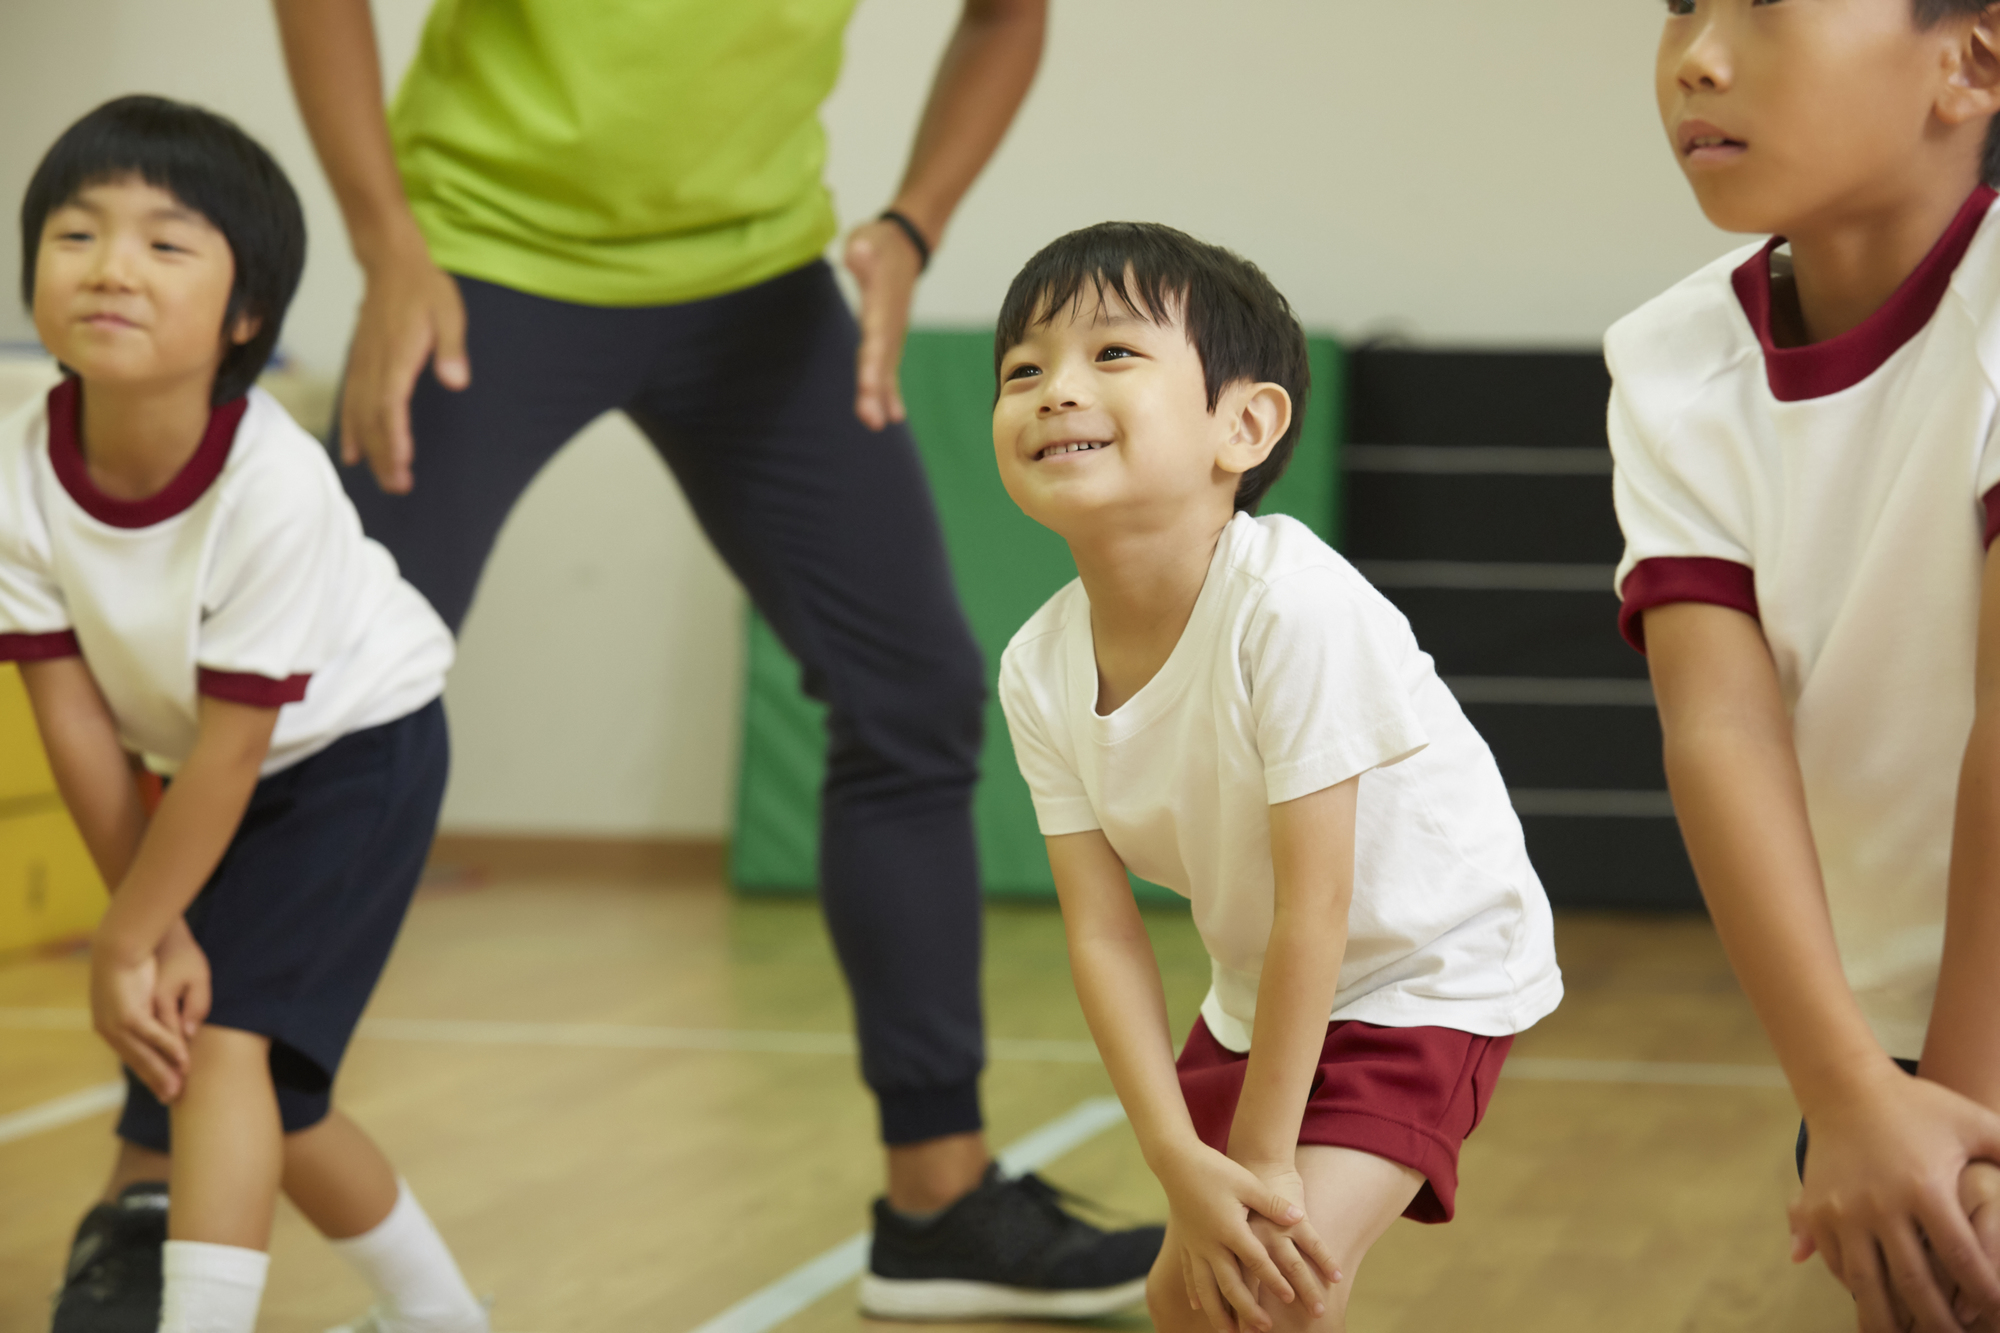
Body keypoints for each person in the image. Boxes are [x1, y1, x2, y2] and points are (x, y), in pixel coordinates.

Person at [210, 0, 1149, 1323]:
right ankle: (155, 1176)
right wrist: (384, 239)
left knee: (912, 692)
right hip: (482, 260)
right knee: (306, 710)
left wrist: (912, 226)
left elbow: (1008, 16)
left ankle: (937, 1199)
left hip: (759, 289)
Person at [990, 222, 1565, 1333]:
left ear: (1243, 424)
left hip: (1420, 975)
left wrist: (1257, 1163)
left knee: (1258, 1282)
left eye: (1111, 354)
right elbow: (1101, 934)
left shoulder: (1291, 602)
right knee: (1186, 1298)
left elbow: (1321, 899)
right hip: (1260, 997)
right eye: (1023, 369)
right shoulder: (1037, 664)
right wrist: (1172, 1160)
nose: (1055, 390)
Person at [7, 97, 484, 1333]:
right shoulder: (14, 461)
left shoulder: (274, 483)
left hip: (356, 752)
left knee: (215, 1049)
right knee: (261, 1080)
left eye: (168, 244)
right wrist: (143, 927)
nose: (113, 265)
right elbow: (69, 717)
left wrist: (131, 942)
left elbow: (231, 749)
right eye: (77, 234)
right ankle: (441, 1316)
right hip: (213, 770)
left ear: (246, 316)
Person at [1610, 3, 2000, 1329]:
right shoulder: (1668, 362)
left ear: (1971, 62)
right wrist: (1853, 1097)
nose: (1698, 58)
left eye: (1765, 9)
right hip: (1882, 1044)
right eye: (1682, 9)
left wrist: (1968, 1121)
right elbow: (1720, 731)